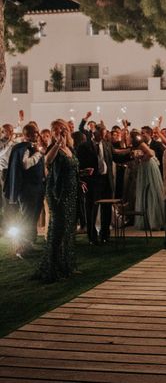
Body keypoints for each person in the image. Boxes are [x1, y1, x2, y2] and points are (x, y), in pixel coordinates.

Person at [35, 120, 79, 282]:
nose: (60, 131)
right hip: (57, 194)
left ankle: (66, 266)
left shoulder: (70, 149)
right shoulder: (53, 149)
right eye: (55, 130)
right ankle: (52, 270)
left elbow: (70, 168)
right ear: (53, 133)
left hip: (70, 194)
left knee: (67, 231)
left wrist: (82, 174)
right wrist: (58, 144)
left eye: (62, 129)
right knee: (57, 231)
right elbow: (47, 161)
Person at [3, 123, 46, 255]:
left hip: (37, 187)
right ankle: (22, 247)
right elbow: (26, 164)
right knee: (27, 216)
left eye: (37, 132)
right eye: (34, 132)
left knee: (32, 216)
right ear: (27, 134)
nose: (37, 134)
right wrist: (39, 153)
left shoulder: (29, 147)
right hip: (27, 189)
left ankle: (28, 244)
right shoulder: (22, 147)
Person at [131, 129, 164, 231]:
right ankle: (148, 219)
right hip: (145, 167)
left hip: (148, 167)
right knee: (146, 191)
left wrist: (142, 159)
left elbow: (150, 153)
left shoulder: (140, 144)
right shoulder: (138, 145)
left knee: (151, 191)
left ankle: (154, 220)